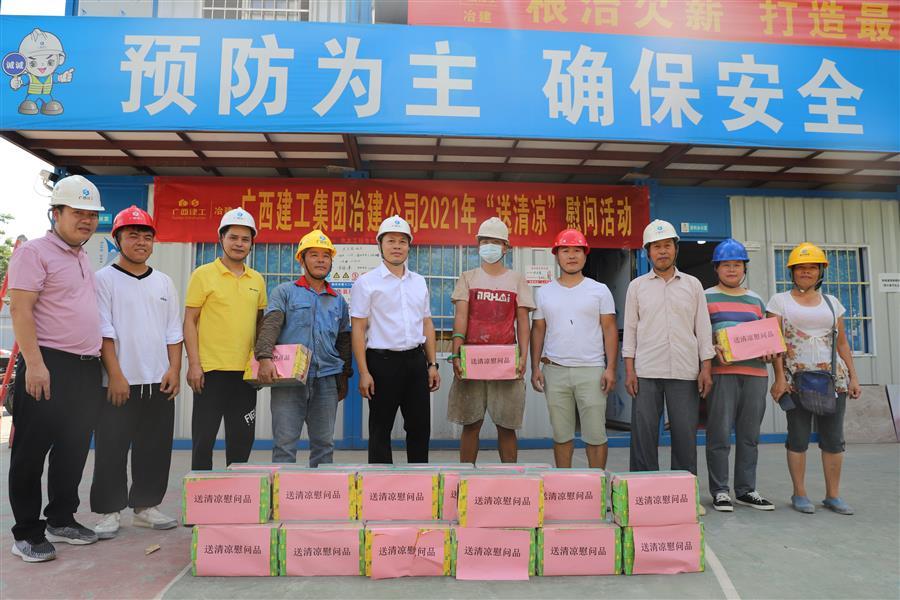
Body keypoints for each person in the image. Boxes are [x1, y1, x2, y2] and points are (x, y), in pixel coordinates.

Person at [7, 175, 105, 562]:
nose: (86, 220)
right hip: (48, 364)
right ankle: (26, 533)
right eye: (77, 212)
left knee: (72, 449)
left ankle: (61, 520)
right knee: (31, 452)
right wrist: (34, 364)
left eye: (91, 215)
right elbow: (20, 308)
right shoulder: (34, 253)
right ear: (56, 213)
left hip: (84, 368)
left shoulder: (81, 257)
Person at [90, 206, 183, 539]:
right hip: (119, 383)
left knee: (154, 447)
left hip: (158, 381)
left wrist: (174, 368)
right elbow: (103, 330)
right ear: (118, 239)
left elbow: (174, 331)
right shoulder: (103, 279)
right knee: (111, 447)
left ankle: (146, 507)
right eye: (133, 235)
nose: (141, 242)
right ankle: (109, 511)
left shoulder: (164, 282)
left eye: (147, 236)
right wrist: (115, 375)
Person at [768, 242, 861, 516]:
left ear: (821, 271)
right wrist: (779, 378)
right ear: (792, 272)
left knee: (833, 439)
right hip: (795, 380)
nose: (806, 272)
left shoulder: (833, 303)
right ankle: (799, 494)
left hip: (833, 381)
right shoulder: (779, 301)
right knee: (797, 438)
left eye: (812, 267)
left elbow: (842, 344)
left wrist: (854, 377)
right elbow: (774, 343)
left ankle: (833, 495)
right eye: (800, 268)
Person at [623, 219, 715, 480]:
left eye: (667, 245)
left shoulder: (692, 285)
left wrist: (706, 368)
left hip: (685, 370)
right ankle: (642, 490)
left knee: (685, 434)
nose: (662, 251)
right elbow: (630, 330)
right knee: (643, 435)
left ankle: (684, 491)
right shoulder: (637, 287)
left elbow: (703, 329)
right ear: (647, 252)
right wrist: (629, 370)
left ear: (676, 249)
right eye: (656, 247)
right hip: (646, 371)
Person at [255, 230, 351, 467]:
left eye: (326, 256)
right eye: (314, 255)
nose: (321, 260)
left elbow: (343, 341)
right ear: (302, 259)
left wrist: (344, 377)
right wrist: (264, 357)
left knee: (324, 445)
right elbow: (271, 325)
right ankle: (282, 491)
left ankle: (319, 491)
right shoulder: (284, 292)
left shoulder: (338, 300)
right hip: (289, 381)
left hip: (326, 380)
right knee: (284, 445)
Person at [350, 215, 440, 464]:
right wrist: (364, 372)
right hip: (382, 364)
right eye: (391, 241)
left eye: (402, 241)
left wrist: (432, 364)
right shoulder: (366, 283)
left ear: (409, 246)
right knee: (380, 429)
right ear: (380, 245)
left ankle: (420, 481)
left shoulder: (419, 282)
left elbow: (427, 323)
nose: (397, 246)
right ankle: (380, 484)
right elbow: (358, 329)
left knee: (420, 427)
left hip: (415, 362)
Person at [184, 208, 267, 470]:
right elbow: (189, 321)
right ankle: (201, 491)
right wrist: (194, 364)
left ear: (252, 243)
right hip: (210, 371)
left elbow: (261, 324)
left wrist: (262, 362)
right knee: (203, 439)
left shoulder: (257, 280)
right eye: (233, 237)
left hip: (245, 374)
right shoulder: (203, 274)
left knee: (242, 440)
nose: (239, 244)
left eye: (245, 239)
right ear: (221, 238)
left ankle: (238, 491)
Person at [448, 217, 534, 464]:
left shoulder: (516, 279)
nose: (490, 246)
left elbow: (523, 322)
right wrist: (456, 354)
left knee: (506, 427)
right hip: (471, 362)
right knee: (471, 425)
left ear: (505, 247)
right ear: (478, 246)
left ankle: (510, 479)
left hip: (505, 363)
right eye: (485, 241)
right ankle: (466, 477)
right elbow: (461, 317)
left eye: (495, 242)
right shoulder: (468, 277)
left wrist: (523, 357)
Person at [531, 229, 617, 469]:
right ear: (556, 255)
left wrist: (611, 368)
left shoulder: (599, 290)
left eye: (577, 250)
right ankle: (563, 485)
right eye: (565, 250)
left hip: (592, 370)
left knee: (596, 435)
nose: (571, 255)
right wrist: (534, 367)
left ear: (585, 255)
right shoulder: (544, 292)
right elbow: (538, 330)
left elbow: (609, 329)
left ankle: (597, 485)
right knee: (561, 434)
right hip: (555, 370)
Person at [704, 239, 775, 512]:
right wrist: (712, 348)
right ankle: (720, 491)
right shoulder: (706, 298)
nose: (732, 269)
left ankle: (746, 490)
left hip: (755, 374)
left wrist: (769, 351)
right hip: (722, 374)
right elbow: (698, 336)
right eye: (726, 265)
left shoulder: (756, 300)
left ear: (744, 268)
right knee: (719, 434)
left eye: (737, 264)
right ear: (716, 268)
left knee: (749, 435)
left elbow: (767, 337)